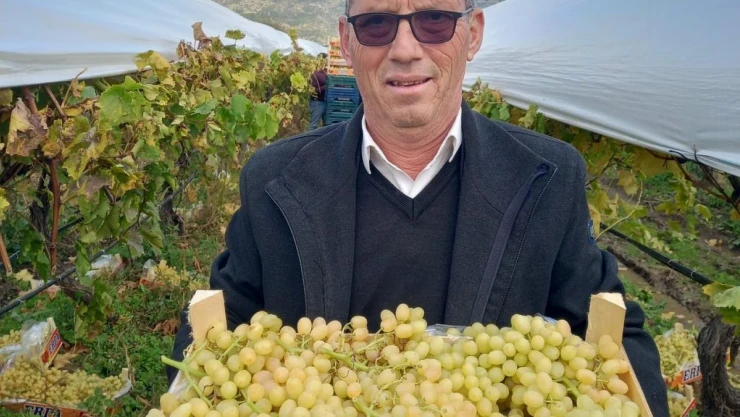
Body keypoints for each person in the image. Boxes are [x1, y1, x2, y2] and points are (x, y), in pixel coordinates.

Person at [171, 0, 668, 414]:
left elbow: (614, 335)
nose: (405, 50)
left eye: (434, 20)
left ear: (473, 33)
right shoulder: (272, 180)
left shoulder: (551, 178)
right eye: (376, 24)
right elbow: (220, 327)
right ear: (347, 41)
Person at [309, 53, 328, 130]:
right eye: (326, 60)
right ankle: (310, 137)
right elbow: (314, 90)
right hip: (317, 102)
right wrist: (327, 86)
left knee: (327, 124)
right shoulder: (315, 74)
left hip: (326, 101)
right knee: (314, 125)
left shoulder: (327, 72)